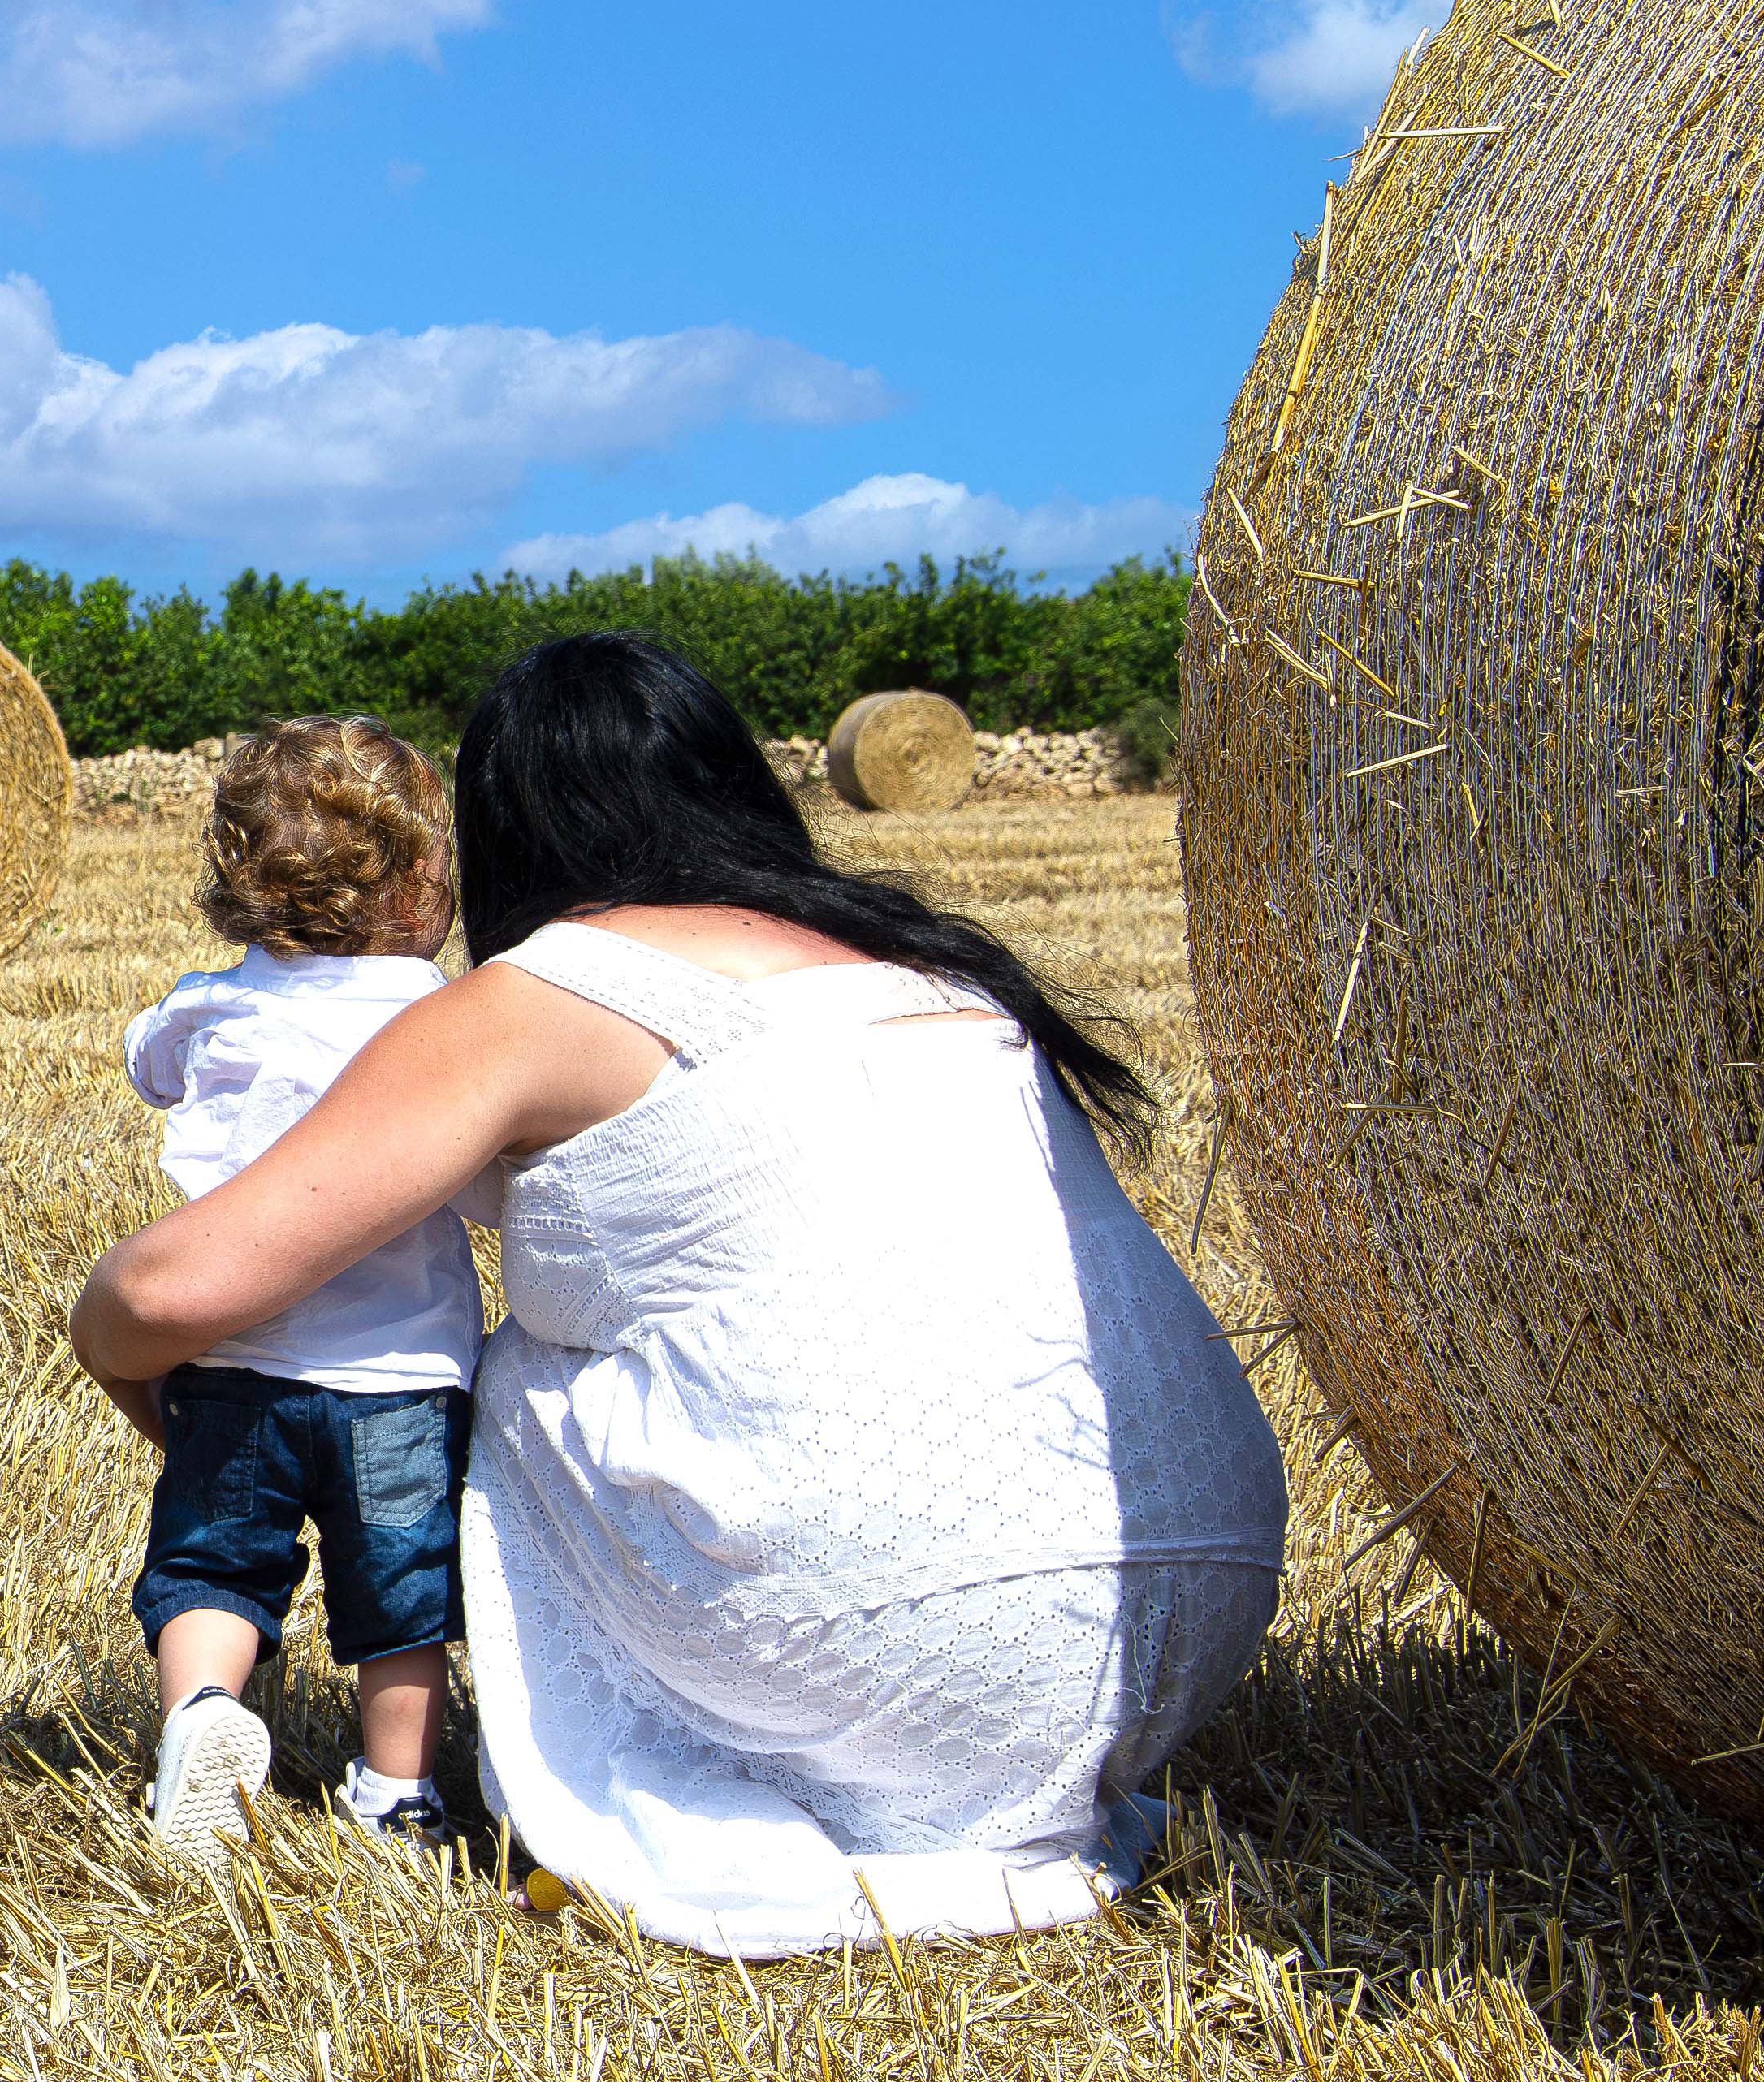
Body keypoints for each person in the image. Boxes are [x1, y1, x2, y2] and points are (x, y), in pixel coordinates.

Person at [68, 634, 1286, 1956]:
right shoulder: (941, 972)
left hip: (893, 1633)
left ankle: (395, 1777)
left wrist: (115, 1352)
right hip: (1185, 1611)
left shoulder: (539, 995)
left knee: (525, 1363)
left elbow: (185, 1281)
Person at [113, 719, 481, 1866]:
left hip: (231, 1361)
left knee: (215, 1566)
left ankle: (202, 1721)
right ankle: (396, 1792)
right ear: (422, 877)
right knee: (402, 1606)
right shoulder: (433, 1016)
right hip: (398, 1378)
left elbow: (148, 1065)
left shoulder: (208, 1006)